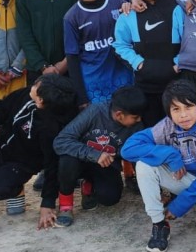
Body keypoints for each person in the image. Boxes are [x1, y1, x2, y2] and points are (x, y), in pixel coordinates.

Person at [121, 80, 196, 252]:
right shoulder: (168, 125)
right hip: (183, 178)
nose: (183, 115)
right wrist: (170, 154)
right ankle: (159, 224)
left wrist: (180, 205)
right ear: (169, 112)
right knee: (144, 164)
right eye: (176, 109)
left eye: (188, 107)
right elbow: (128, 149)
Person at [0, 74, 78, 240]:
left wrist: (47, 203)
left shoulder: (51, 128)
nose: (33, 85)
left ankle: (16, 190)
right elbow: (1, 106)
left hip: (20, 164)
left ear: (41, 102)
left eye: (37, 86)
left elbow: (52, 166)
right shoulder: (25, 94)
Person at [52, 86, 146, 227]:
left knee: (110, 199)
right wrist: (95, 154)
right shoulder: (95, 111)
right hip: (81, 160)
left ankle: (89, 186)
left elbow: (139, 156)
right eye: (135, 117)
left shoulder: (137, 126)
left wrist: (152, 193)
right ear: (119, 114)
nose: (139, 120)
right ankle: (66, 205)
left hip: (107, 164)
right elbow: (61, 141)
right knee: (67, 160)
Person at [114, 0, 185, 128]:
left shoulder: (178, 9)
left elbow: (189, 43)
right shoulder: (128, 13)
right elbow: (120, 46)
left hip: (176, 88)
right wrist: (139, 64)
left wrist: (177, 64)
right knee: (151, 136)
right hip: (145, 89)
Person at [63, 0, 133, 107]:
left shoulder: (119, 3)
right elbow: (72, 59)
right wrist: (82, 98)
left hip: (123, 78)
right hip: (93, 84)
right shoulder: (71, 17)